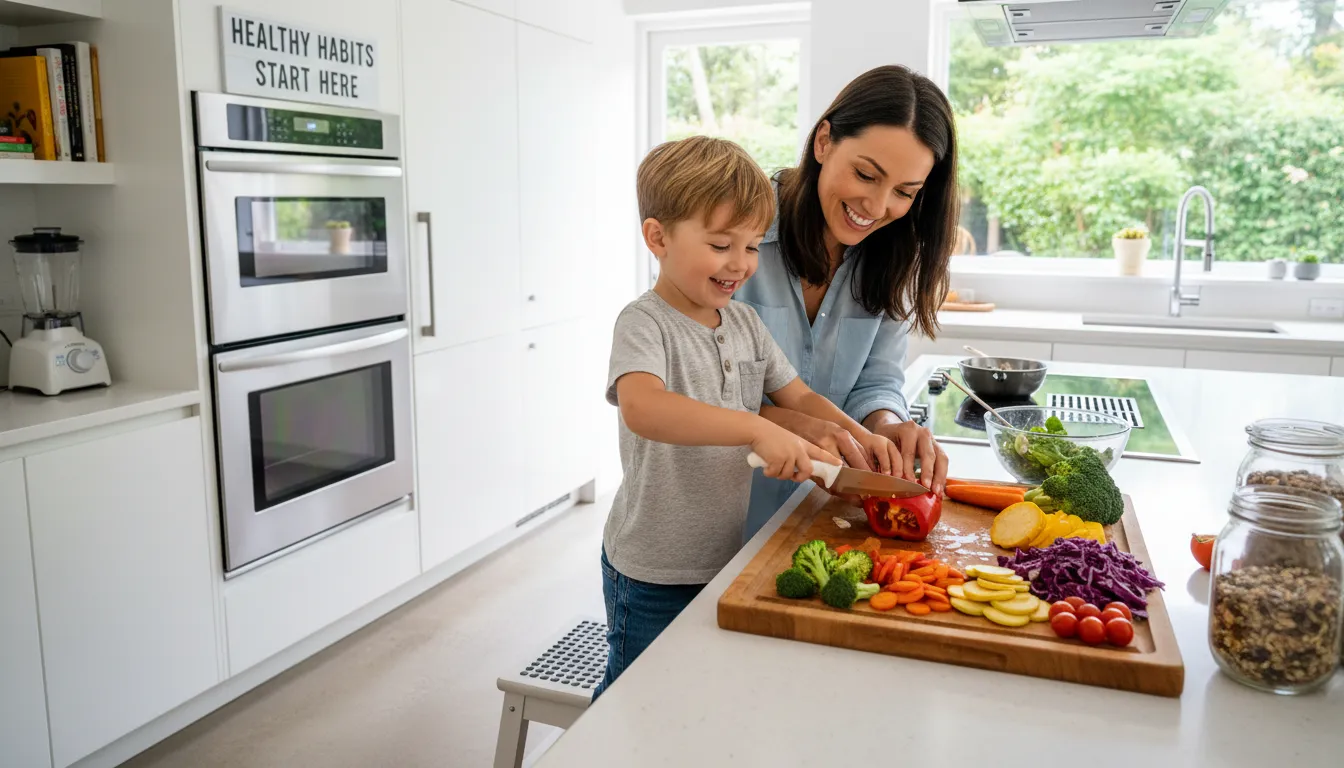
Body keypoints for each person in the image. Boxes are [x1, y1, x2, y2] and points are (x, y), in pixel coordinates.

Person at [595, 136, 901, 697]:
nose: (740, 264)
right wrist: (758, 427)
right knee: (634, 700)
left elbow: (800, 399)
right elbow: (643, 408)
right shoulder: (644, 323)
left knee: (698, 694)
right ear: (657, 238)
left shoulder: (743, 324)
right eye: (719, 245)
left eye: (753, 246)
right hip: (651, 570)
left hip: (725, 554)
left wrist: (862, 440)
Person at [735, 64, 959, 541]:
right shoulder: (734, 231)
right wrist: (793, 425)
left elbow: (876, 380)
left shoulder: (895, 257)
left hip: (812, 523)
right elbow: (686, 391)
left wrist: (887, 422)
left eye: (904, 192)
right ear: (823, 142)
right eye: (866, 174)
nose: (878, 208)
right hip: (706, 533)